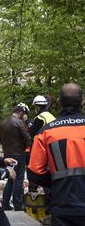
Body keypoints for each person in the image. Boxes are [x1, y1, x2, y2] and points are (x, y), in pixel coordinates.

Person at [28, 83, 85, 226]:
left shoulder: (47, 132)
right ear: (82, 101)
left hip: (62, 203)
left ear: (59, 102)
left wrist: (55, 181)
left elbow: (35, 173)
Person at [0, 105, 31, 211]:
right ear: (21, 112)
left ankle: (5, 204)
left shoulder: (3, 123)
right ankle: (18, 204)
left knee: (10, 179)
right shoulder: (19, 122)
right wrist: (26, 147)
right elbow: (27, 138)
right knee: (18, 178)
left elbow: (1, 140)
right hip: (18, 154)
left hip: (7, 155)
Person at [28, 95, 55, 193]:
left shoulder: (40, 118)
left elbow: (32, 134)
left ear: (38, 106)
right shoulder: (51, 116)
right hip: (53, 149)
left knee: (36, 175)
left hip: (41, 150)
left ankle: (34, 199)